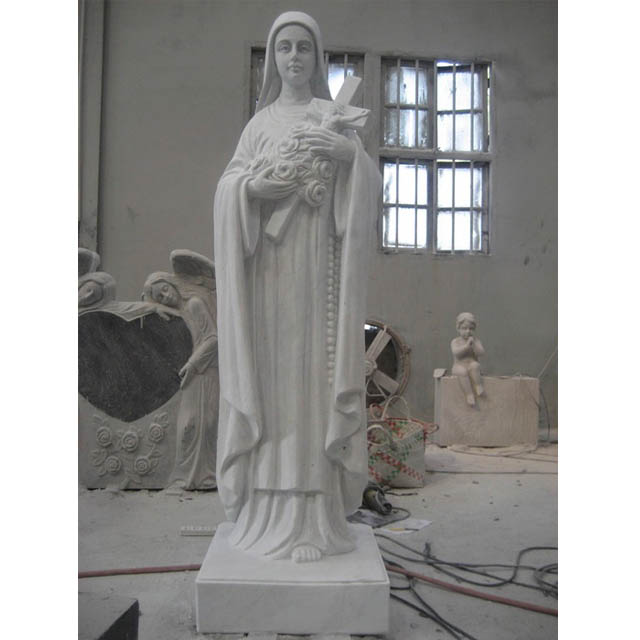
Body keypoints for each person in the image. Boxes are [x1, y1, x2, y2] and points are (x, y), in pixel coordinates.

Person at [214, 11, 380, 563]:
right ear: (272, 58)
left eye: (303, 48)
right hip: (268, 277)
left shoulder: (334, 118)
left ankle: (314, 517)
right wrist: (251, 189)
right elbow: (229, 187)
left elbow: (363, 191)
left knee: (310, 385)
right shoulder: (259, 126)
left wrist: (349, 158)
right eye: (283, 47)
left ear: (317, 58)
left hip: (316, 276)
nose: (293, 57)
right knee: (273, 385)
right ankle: (265, 513)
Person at [143, 271, 218, 491]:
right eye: (160, 297)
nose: (166, 297)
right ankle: (185, 476)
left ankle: (206, 476)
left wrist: (193, 364)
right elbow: (142, 307)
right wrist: (153, 306)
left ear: (172, 284)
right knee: (188, 425)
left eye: (165, 290)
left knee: (206, 423)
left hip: (205, 370)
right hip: (192, 373)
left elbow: (213, 338)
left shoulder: (194, 304)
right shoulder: (177, 312)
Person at [450, 312, 485, 406]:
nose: (468, 331)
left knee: (475, 365)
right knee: (462, 372)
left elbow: (481, 353)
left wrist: (474, 345)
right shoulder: (455, 341)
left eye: (471, 328)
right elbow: (456, 353)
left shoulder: (476, 341)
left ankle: (478, 385)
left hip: (471, 365)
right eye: (464, 328)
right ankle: (469, 394)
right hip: (458, 366)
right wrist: (466, 346)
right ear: (458, 328)